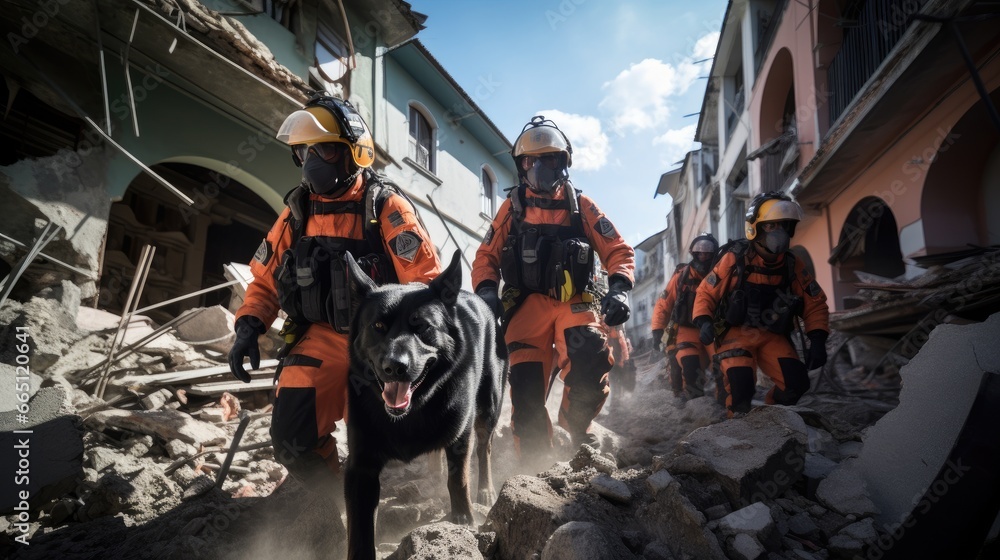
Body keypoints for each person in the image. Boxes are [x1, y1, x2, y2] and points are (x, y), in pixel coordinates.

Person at [227, 94, 442, 488]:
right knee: (291, 438)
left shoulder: (385, 206)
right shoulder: (298, 211)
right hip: (322, 336)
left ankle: (417, 499)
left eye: (323, 149)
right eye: (305, 151)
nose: (311, 162)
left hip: (383, 337)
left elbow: (425, 281)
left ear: (353, 153)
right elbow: (265, 279)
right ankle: (335, 506)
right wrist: (249, 326)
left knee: (400, 447)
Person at [472, 115, 635, 457]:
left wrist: (619, 287)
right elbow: (486, 255)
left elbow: (616, 248)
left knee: (591, 363)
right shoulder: (511, 208)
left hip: (573, 302)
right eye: (532, 161)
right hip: (525, 308)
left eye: (550, 159)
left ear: (564, 162)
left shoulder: (581, 206)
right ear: (521, 166)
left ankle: (575, 429)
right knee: (526, 394)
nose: (540, 168)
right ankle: (533, 464)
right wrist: (487, 290)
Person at [692, 191, 829, 418]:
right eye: (771, 226)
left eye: (784, 226)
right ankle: (736, 429)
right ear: (755, 227)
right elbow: (706, 292)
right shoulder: (735, 258)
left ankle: (772, 417)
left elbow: (814, 302)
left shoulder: (791, 264)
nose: (780, 233)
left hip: (772, 334)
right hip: (736, 333)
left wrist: (818, 338)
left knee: (796, 384)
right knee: (741, 390)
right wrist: (704, 320)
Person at [651, 233, 724, 402]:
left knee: (724, 365)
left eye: (707, 253)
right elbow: (664, 304)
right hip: (685, 329)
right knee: (689, 364)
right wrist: (657, 330)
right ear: (693, 253)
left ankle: (725, 404)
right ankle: (692, 404)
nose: (703, 256)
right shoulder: (682, 277)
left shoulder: (721, 275)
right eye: (700, 253)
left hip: (713, 329)